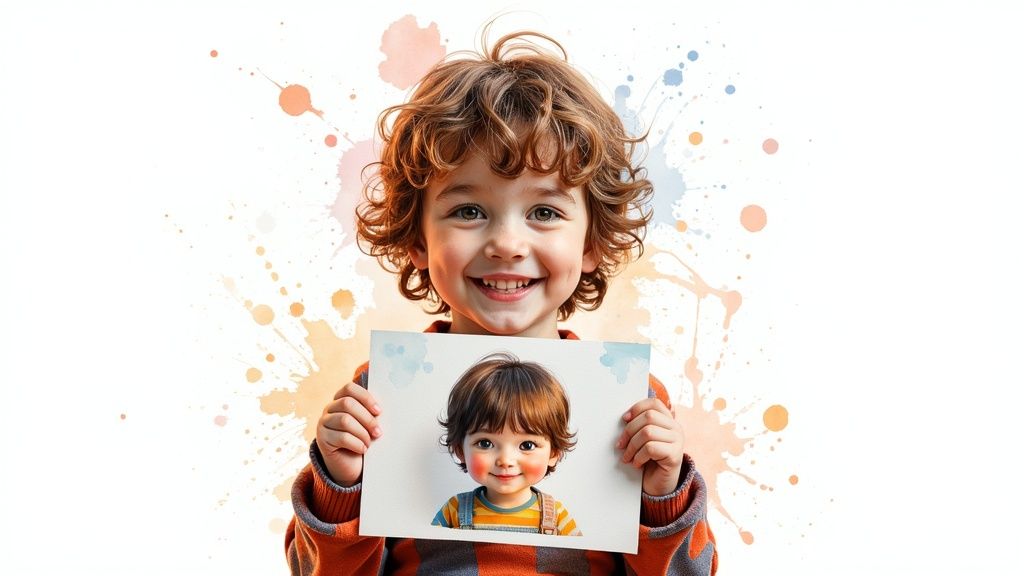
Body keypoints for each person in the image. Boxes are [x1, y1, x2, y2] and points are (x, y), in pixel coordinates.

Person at [286, 27, 718, 575]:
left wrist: (663, 496)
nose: (507, 245)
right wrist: (340, 487)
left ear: (592, 243)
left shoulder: (630, 404)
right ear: (418, 240)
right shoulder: (379, 397)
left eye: (544, 212)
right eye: (468, 211)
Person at [430, 352, 581, 536]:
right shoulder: (454, 510)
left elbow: (581, 562)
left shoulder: (557, 516)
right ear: (460, 450)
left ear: (554, 453)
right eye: (485, 443)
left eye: (527, 445)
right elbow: (430, 556)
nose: (505, 460)